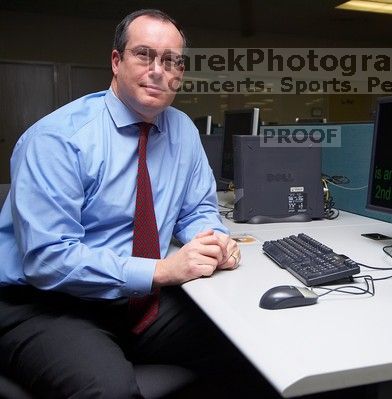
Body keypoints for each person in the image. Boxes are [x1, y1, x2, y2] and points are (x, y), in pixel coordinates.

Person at [0, 9, 247, 398]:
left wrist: (213, 240)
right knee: (108, 391)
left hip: (135, 302)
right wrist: (162, 270)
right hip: (48, 304)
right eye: (144, 55)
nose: (158, 70)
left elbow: (197, 209)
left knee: (247, 347)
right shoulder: (58, 140)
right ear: (116, 62)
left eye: (171, 61)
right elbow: (48, 259)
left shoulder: (182, 131)